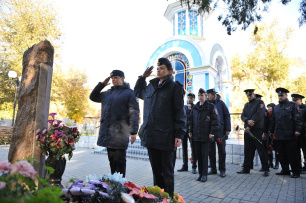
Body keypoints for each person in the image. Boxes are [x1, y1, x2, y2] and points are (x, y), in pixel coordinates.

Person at [134, 58, 186, 197]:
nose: (158, 70)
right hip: (151, 136)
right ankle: (158, 198)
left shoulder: (175, 88)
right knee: (156, 171)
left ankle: (168, 199)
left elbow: (180, 113)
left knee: (167, 172)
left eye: (162, 68)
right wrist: (143, 77)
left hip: (166, 136)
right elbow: (138, 92)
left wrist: (178, 135)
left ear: (170, 72)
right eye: (158, 68)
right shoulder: (151, 86)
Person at [89, 70, 139, 178]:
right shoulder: (107, 93)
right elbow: (92, 97)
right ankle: (114, 184)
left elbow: (134, 112)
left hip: (120, 133)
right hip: (108, 132)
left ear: (122, 78)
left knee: (120, 162)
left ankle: (120, 185)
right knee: (112, 161)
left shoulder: (129, 93)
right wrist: (102, 84)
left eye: (116, 77)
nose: (113, 80)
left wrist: (133, 131)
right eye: (112, 78)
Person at [270, 88, 303, 178]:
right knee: (281, 154)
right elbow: (273, 121)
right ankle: (285, 170)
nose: (280, 97)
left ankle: (296, 171)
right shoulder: (276, 107)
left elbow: (298, 119)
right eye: (279, 95)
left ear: (286, 95)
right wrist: (271, 131)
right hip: (279, 135)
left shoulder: (292, 105)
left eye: (282, 95)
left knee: (292, 155)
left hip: (290, 135)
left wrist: (297, 130)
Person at [237, 89, 270, 177]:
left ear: (254, 95)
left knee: (261, 150)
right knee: (247, 150)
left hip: (256, 130)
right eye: (248, 95)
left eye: (250, 95)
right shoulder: (246, 105)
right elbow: (243, 115)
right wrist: (247, 121)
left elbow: (259, 114)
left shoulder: (260, 103)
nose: (249, 97)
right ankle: (246, 169)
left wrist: (250, 124)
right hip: (248, 131)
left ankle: (266, 169)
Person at [190, 88, 219, 182]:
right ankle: (200, 174)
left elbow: (215, 121)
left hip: (206, 136)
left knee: (204, 155)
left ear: (205, 96)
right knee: (198, 156)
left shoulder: (210, 106)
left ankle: (204, 175)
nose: (200, 97)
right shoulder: (195, 107)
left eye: (202, 95)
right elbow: (191, 120)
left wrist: (211, 132)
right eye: (199, 95)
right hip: (196, 136)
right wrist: (190, 131)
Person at [207, 88, 231, 178]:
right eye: (208, 94)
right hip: (211, 131)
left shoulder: (221, 104)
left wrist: (227, 129)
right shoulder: (207, 104)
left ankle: (222, 170)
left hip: (220, 131)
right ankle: (213, 169)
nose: (208, 96)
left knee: (222, 151)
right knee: (211, 151)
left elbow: (227, 116)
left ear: (214, 95)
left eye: (210, 95)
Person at [177, 93, 198, 174]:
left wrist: (191, 130)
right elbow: (182, 118)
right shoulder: (184, 107)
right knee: (184, 149)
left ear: (193, 99)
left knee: (193, 149)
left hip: (191, 131)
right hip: (184, 131)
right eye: (188, 98)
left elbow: (194, 119)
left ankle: (194, 166)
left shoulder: (195, 107)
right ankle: (185, 165)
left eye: (191, 98)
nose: (189, 99)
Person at [291, 93, 306, 174]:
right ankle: (298, 167)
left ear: (300, 100)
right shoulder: (292, 108)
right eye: (293, 100)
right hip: (295, 134)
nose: (294, 102)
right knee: (296, 151)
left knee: (305, 150)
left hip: (303, 133)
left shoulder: (305, 108)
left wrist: (301, 129)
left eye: (295, 100)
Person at [266, 103, 279, 169]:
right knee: (268, 148)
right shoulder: (266, 115)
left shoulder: (276, 114)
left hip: (275, 133)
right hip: (268, 133)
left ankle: (277, 163)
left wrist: (273, 131)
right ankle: (270, 163)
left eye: (270, 107)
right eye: (268, 108)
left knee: (276, 148)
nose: (269, 109)